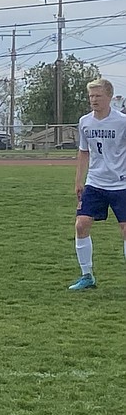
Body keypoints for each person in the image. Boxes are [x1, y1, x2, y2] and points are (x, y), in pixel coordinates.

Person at [68, 77, 126, 290]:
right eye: (91, 96)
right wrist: (79, 180)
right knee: (81, 224)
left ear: (109, 97)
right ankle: (87, 276)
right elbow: (84, 152)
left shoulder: (122, 122)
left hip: (121, 185)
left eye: (98, 96)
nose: (94, 100)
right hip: (95, 183)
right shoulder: (85, 121)